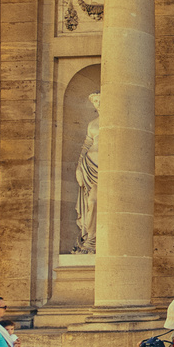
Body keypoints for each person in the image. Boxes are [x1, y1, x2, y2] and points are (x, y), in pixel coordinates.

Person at [72, 91, 99, 253]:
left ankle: (93, 239)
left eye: (100, 100)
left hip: (106, 168)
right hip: (89, 167)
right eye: (95, 101)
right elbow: (86, 146)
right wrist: (79, 168)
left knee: (94, 201)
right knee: (92, 201)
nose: (98, 104)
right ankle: (91, 238)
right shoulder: (92, 124)